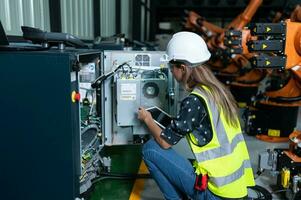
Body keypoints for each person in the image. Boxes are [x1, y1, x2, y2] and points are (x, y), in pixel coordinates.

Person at [137, 31, 255, 200]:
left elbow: (164, 143)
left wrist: (147, 119)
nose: (172, 72)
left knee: (150, 149)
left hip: (216, 192)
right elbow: (191, 125)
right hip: (235, 190)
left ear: (183, 68)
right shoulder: (216, 91)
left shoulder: (194, 101)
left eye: (172, 68)